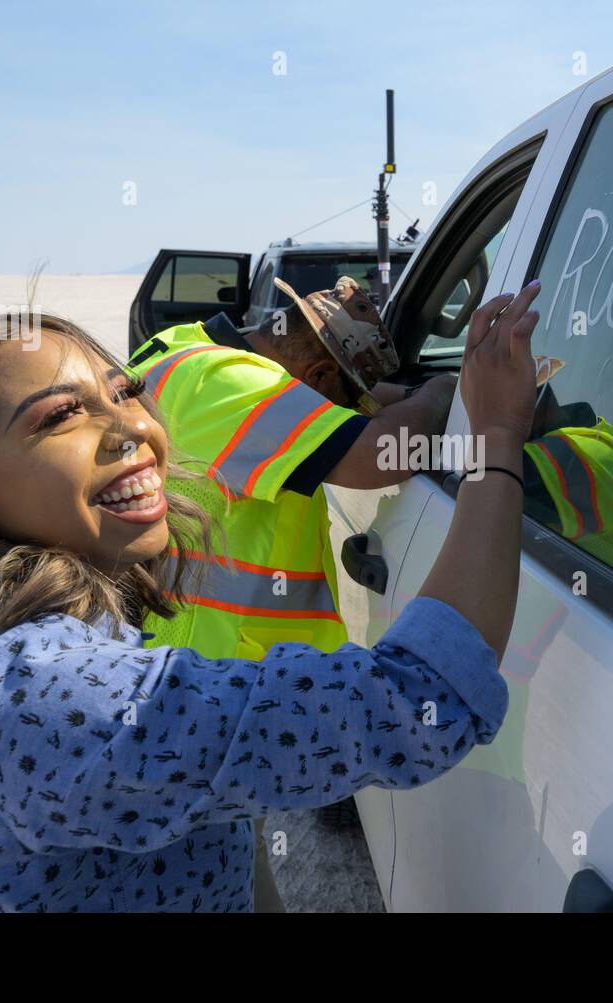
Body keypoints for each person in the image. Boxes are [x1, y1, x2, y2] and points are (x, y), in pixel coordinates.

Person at [0, 282, 542, 912]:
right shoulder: (53, 698)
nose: (136, 431)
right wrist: (497, 437)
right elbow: (420, 699)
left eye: (124, 394)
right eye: (60, 415)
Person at [127, 275, 454, 910]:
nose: (350, 407)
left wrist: (407, 392)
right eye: (340, 392)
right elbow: (380, 451)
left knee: (231, 862)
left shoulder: (180, 350)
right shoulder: (232, 383)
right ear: (312, 368)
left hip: (171, 659)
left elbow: (360, 405)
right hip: (200, 675)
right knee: (208, 874)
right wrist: (446, 393)